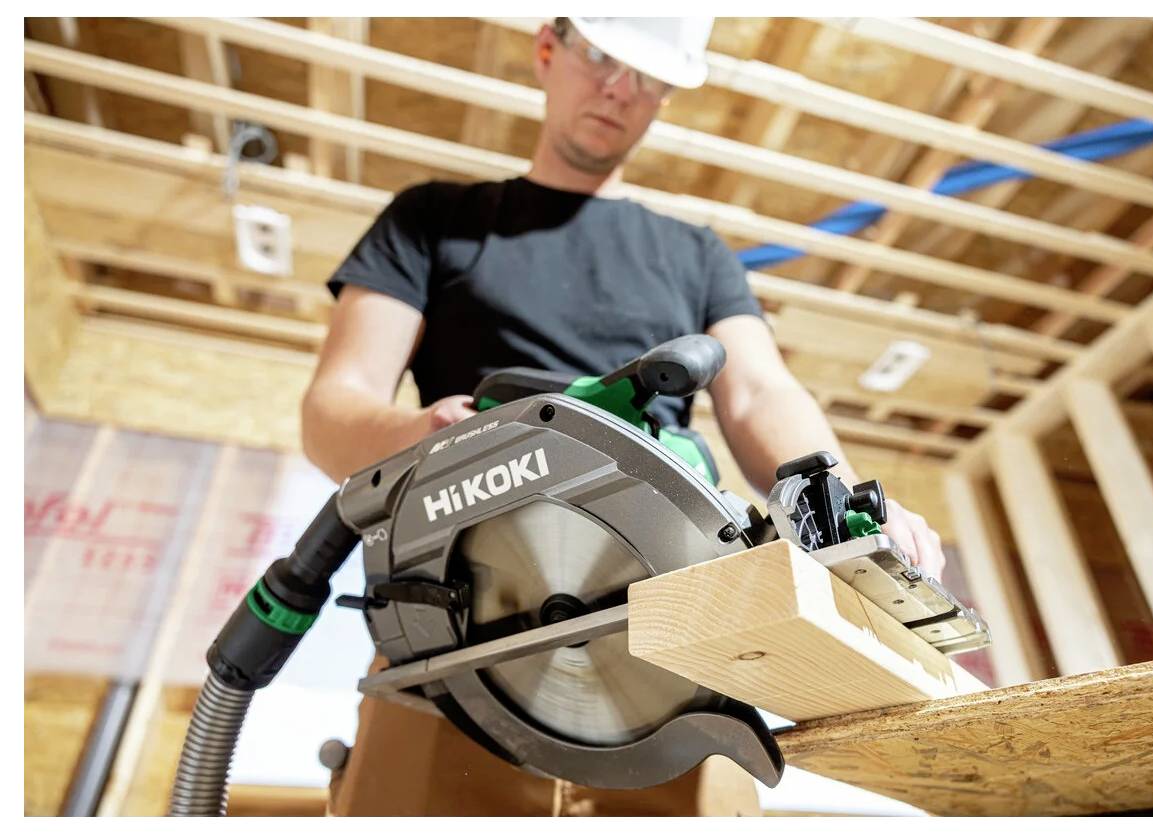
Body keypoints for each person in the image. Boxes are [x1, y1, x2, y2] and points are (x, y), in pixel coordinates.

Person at [302, 17, 948, 816]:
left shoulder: (696, 253)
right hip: (455, 643)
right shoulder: (432, 220)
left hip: (682, 649)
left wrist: (839, 501)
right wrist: (428, 441)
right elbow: (333, 409)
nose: (620, 90)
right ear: (549, 49)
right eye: (603, 58)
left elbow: (758, 393)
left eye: (648, 76)